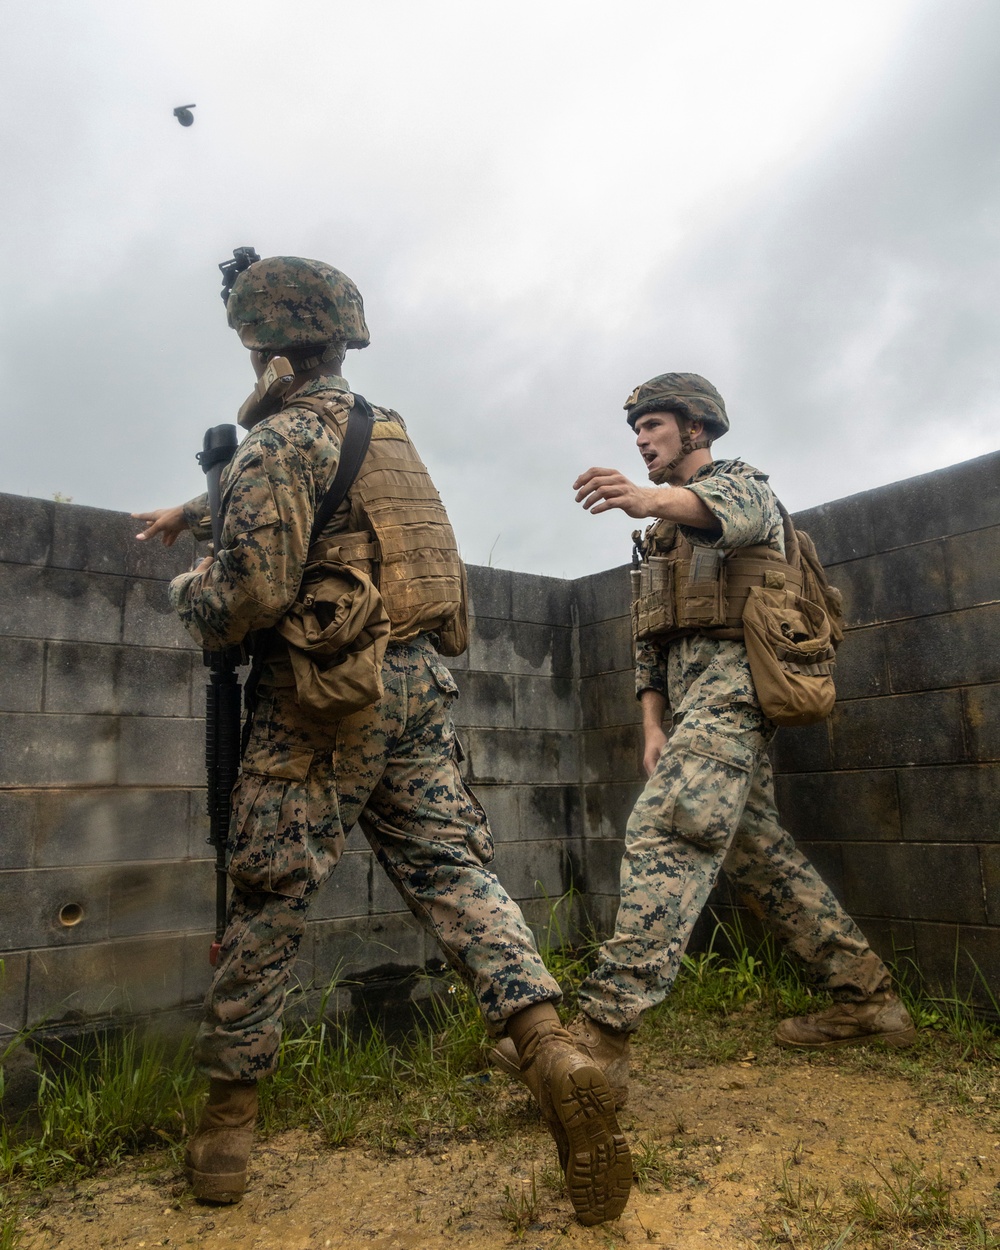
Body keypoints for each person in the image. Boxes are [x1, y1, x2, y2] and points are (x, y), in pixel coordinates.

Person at [133, 255, 631, 1225]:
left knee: (269, 896)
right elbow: (306, 486)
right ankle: (552, 1048)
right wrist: (191, 506)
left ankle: (226, 1131)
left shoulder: (278, 439)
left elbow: (248, 591)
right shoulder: (382, 431)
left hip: (324, 697)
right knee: (455, 872)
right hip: (414, 688)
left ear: (264, 340)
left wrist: (185, 584)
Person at [549, 372, 914, 1104]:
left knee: (669, 827)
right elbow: (648, 639)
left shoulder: (741, 486)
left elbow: (724, 514)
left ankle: (602, 1037)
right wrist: (654, 727)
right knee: (759, 854)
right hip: (691, 705)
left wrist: (643, 493)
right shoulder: (656, 536)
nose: (643, 440)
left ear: (697, 428)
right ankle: (867, 999)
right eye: (637, 431)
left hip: (741, 689)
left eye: (654, 426)